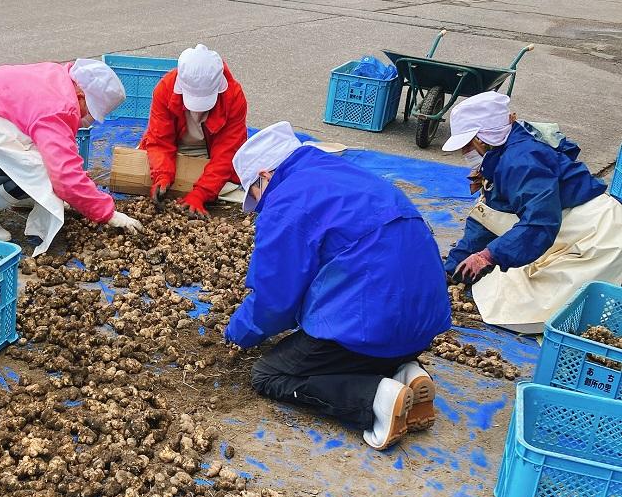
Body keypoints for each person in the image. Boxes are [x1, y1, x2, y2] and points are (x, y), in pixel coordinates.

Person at [224, 123, 451, 451]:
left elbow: (275, 300)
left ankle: (376, 399)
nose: (258, 205)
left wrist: (239, 332)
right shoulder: (339, 172)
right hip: (423, 323)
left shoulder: (287, 201)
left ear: (264, 175)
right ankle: (405, 373)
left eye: (254, 193)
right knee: (349, 331)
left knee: (270, 374)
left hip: (375, 322)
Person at [441, 91, 622, 332]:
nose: (465, 154)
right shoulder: (500, 157)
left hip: (598, 238)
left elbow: (541, 222)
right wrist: (450, 269)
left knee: (532, 310)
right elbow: (488, 222)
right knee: (495, 285)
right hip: (564, 232)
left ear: (482, 139)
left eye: (467, 146)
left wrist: (488, 256)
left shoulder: (522, 160)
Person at [0, 59, 141, 252]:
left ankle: (17, 195)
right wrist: (108, 213)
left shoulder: (59, 78)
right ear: (81, 96)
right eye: (90, 111)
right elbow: (64, 177)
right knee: (45, 169)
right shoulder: (57, 107)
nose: (88, 119)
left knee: (47, 158)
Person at [140, 44, 248, 219]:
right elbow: (160, 140)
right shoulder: (165, 88)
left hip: (208, 152)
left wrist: (202, 193)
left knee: (227, 185)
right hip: (177, 146)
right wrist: (162, 175)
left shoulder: (234, 96)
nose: (197, 111)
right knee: (150, 163)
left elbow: (227, 153)